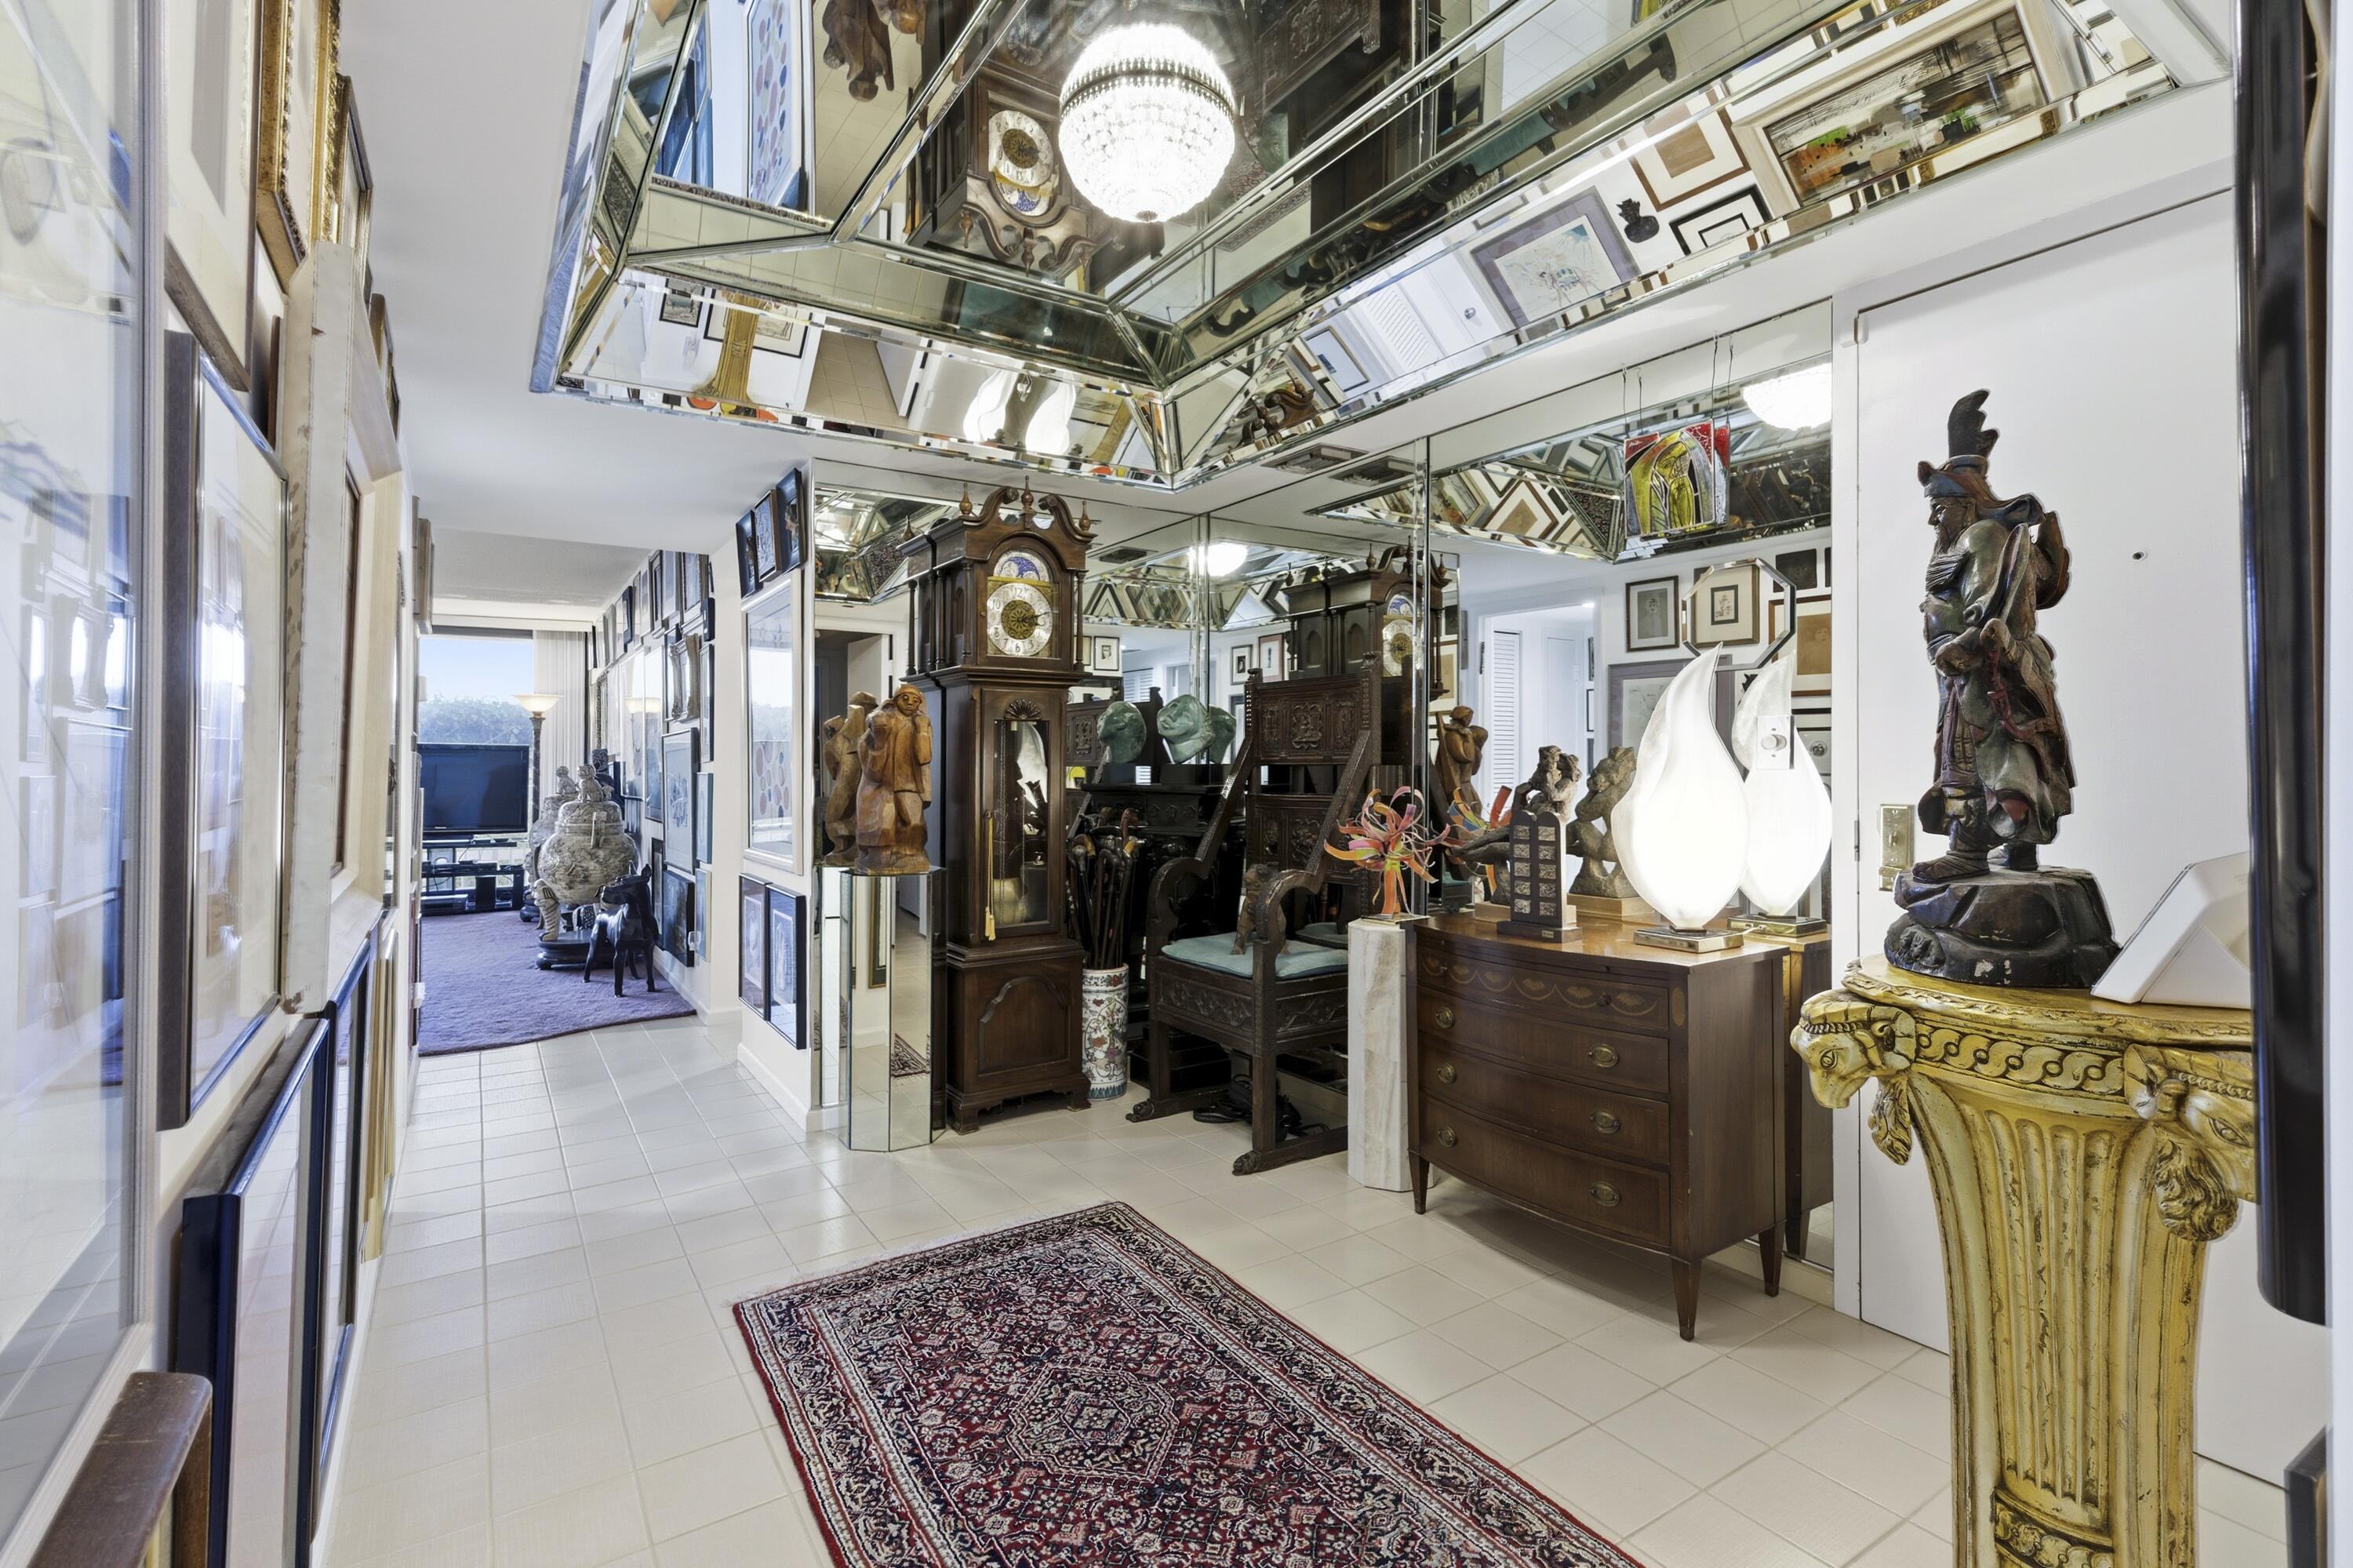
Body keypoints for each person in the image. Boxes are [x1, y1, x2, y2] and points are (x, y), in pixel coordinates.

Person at [856, 684, 933, 874]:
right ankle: (880, 858)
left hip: (909, 782)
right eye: (905, 698)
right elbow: (871, 764)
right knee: (883, 820)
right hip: (884, 783)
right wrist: (880, 739)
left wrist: (922, 730)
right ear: (896, 700)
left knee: (914, 822)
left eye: (916, 701)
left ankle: (910, 855)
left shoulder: (921, 723)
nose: (910, 704)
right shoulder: (883, 720)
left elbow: (924, 757)